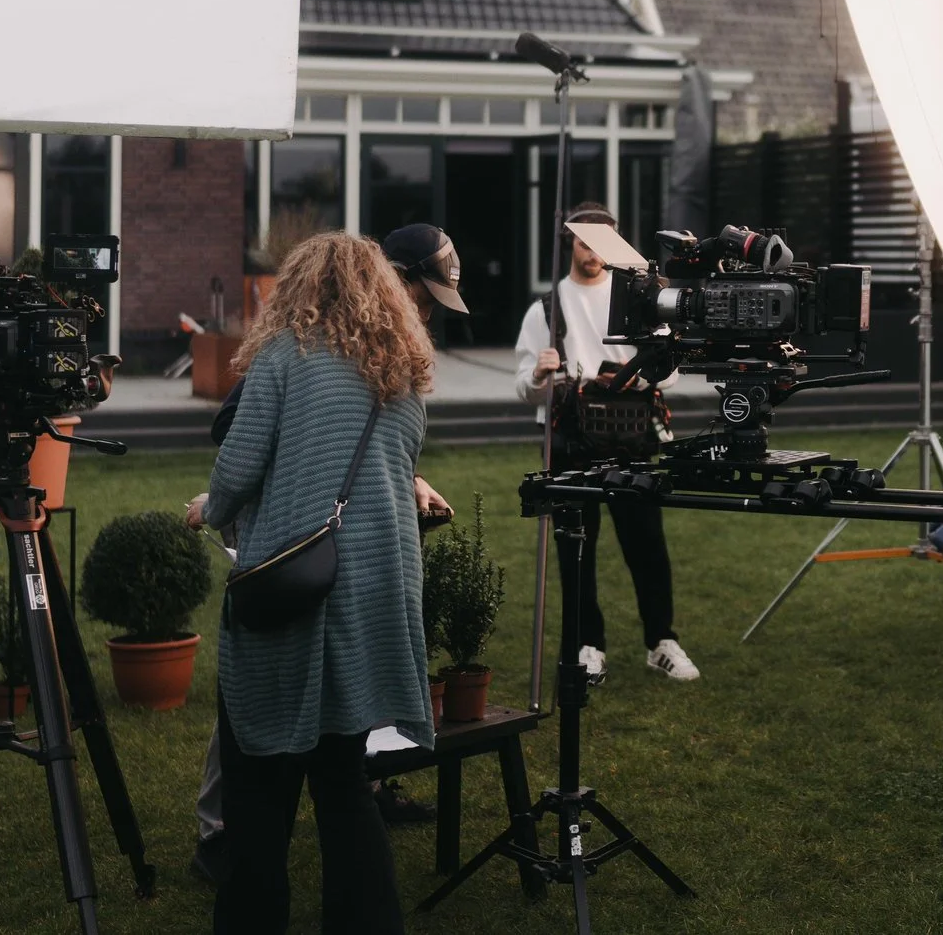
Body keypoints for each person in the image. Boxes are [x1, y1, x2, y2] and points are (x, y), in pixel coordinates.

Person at [187, 224, 461, 883]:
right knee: (342, 784)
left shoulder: (284, 355)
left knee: (260, 792)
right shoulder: (406, 369)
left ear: (301, 288)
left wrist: (212, 509)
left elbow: (237, 468)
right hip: (375, 591)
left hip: (298, 586)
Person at [513, 201, 699, 682]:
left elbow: (671, 369)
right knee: (576, 547)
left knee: (647, 544)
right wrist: (538, 372)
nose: (591, 251)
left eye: (601, 243)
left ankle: (662, 640)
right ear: (569, 244)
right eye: (582, 241)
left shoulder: (641, 301)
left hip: (633, 435)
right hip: (571, 440)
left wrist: (632, 378)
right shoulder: (546, 308)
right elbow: (522, 385)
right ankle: (585, 645)